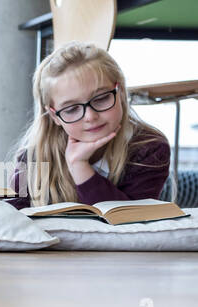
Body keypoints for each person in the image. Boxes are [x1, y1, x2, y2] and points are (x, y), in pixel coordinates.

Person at [9, 41, 169, 208]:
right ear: (54, 116)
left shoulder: (149, 149)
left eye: (101, 99)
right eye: (71, 109)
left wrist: (80, 167)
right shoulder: (34, 158)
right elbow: (14, 219)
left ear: (120, 92)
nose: (90, 116)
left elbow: (128, 223)